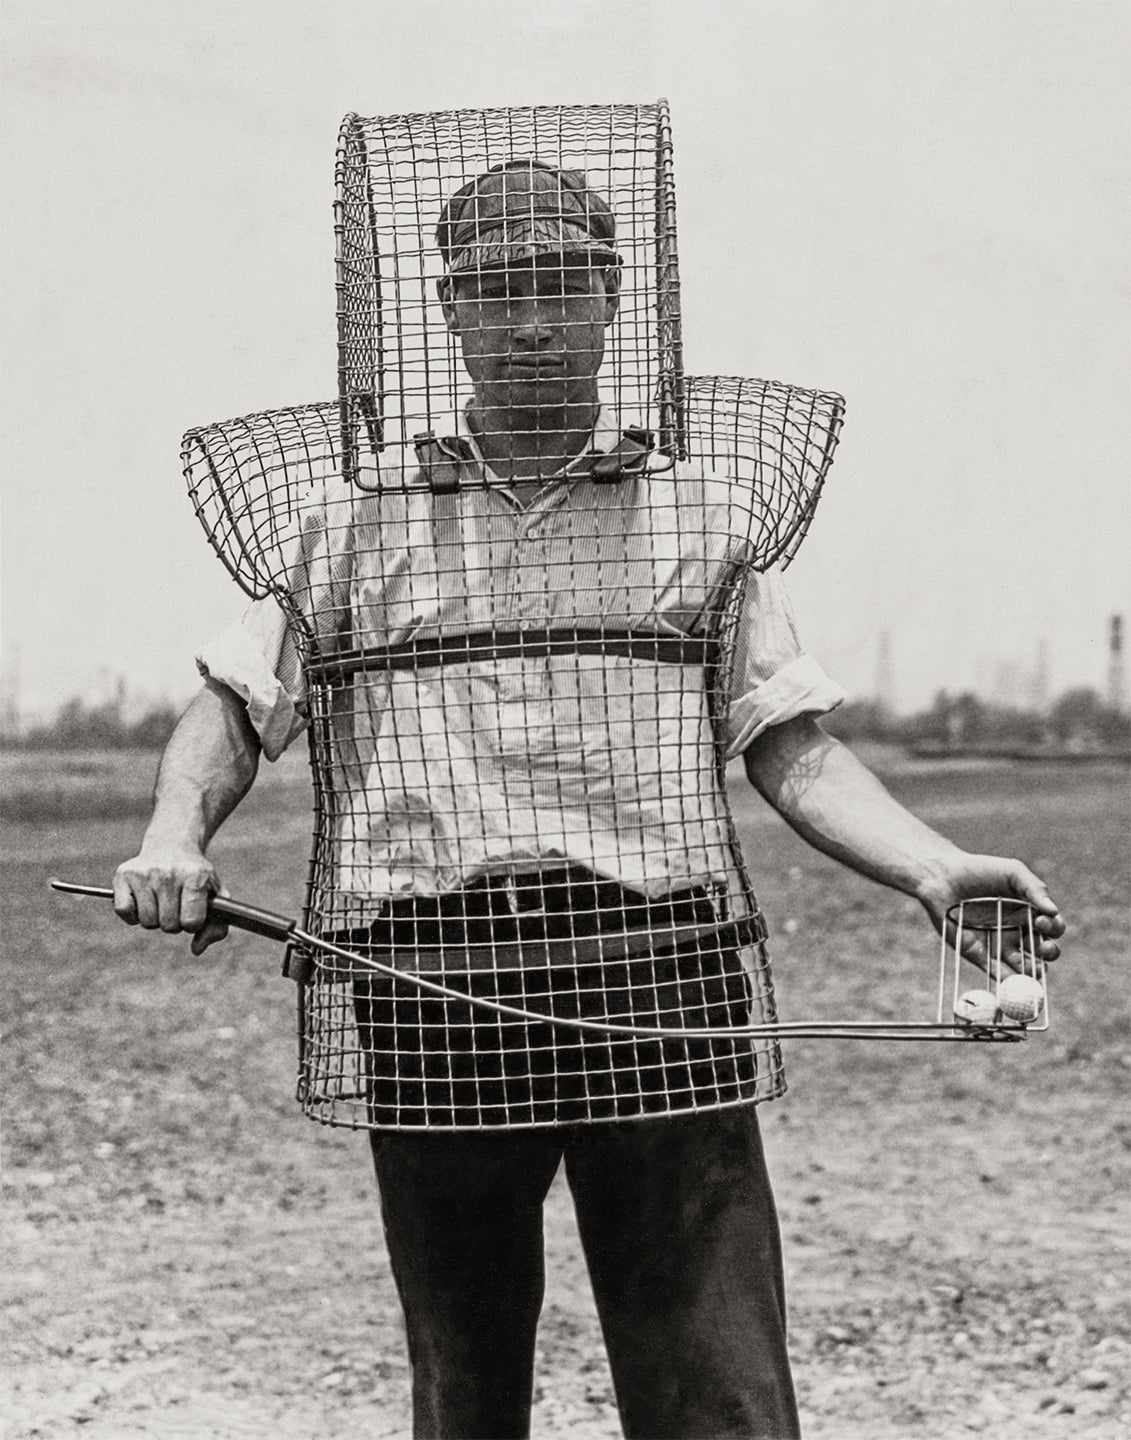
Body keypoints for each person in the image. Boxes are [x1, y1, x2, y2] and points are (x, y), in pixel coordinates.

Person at [114, 160, 1065, 1440]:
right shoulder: (356, 513)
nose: (533, 323)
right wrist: (174, 834)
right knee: (466, 1394)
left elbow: (791, 741)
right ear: (448, 310)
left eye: (563, 286)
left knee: (720, 1397)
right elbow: (234, 708)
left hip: (659, 968)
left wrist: (934, 864)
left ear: (616, 296)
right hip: (434, 974)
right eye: (500, 291)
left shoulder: (700, 506)